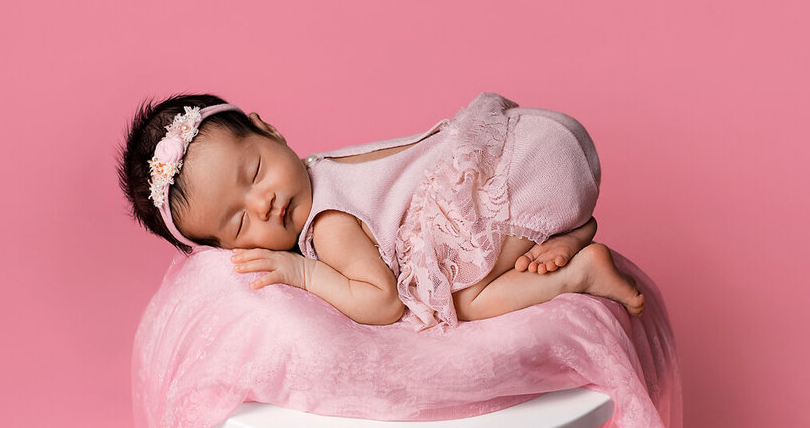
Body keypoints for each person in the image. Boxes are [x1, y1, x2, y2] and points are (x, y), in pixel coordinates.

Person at [118, 92, 644, 330]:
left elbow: (383, 301)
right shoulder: (320, 166)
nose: (264, 204)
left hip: (527, 173)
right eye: (239, 224)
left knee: (459, 300)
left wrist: (302, 271)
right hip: (539, 144)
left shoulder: (325, 225)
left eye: (254, 173)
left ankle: (578, 272)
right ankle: (570, 230)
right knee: (471, 247)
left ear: (270, 129)